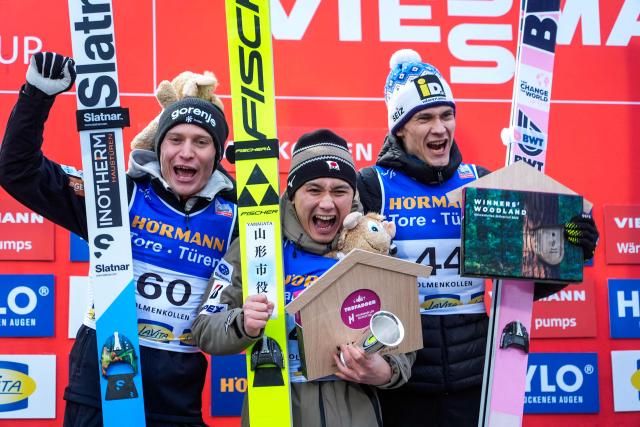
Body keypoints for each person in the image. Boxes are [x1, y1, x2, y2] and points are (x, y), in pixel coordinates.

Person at [356, 49, 599, 426]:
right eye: (425, 118)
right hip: (401, 384)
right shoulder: (372, 186)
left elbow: (522, 282)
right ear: (399, 127)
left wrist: (570, 248)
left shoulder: (478, 181)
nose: (440, 128)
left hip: (476, 380)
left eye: (447, 115)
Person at [0, 52, 238, 426]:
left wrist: (263, 180)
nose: (186, 152)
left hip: (175, 400)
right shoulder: (115, 194)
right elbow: (18, 171)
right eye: (175, 138)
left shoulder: (236, 214)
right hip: (101, 387)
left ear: (218, 153)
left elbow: (305, 229)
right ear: (159, 146)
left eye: (201, 142)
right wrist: (36, 96)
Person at [191, 129, 414, 427]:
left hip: (354, 413)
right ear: (293, 194)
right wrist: (242, 322)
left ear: (353, 196)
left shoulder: (371, 247)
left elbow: (404, 340)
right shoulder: (258, 243)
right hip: (276, 411)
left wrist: (385, 371)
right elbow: (205, 327)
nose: (326, 204)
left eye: (339, 191)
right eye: (314, 189)